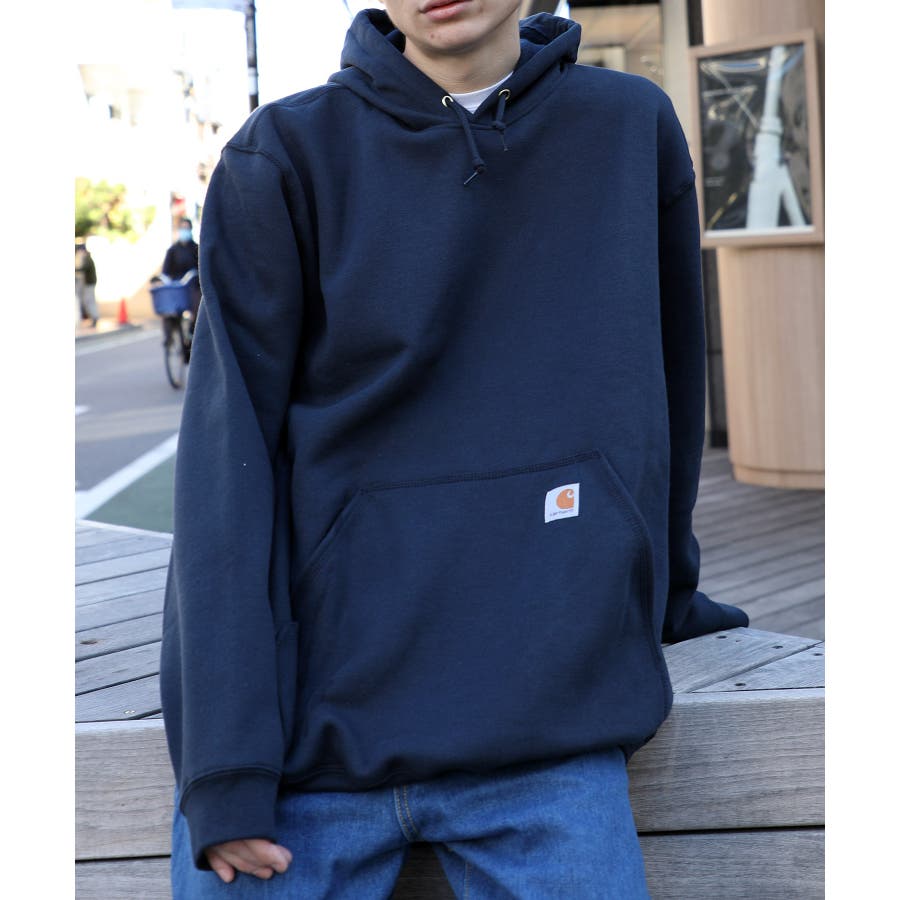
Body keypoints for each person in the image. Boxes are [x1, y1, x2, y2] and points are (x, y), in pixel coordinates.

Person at [160, 2, 752, 897]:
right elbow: (224, 467)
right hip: (311, 746)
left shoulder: (628, 129)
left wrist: (663, 586)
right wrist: (226, 764)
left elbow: (664, 393)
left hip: (547, 727)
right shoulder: (283, 154)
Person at [162, 217, 201, 326]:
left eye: (187, 228)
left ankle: (193, 328)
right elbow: (166, 271)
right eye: (182, 228)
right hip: (177, 287)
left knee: (198, 307)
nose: (184, 231)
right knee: (169, 310)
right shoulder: (172, 251)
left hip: (193, 286)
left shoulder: (196, 249)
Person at [74, 238, 98, 327]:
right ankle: (93, 318)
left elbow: (83, 269)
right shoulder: (85, 258)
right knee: (87, 300)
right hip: (87, 283)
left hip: (89, 284)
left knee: (89, 300)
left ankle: (95, 318)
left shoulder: (86, 259)